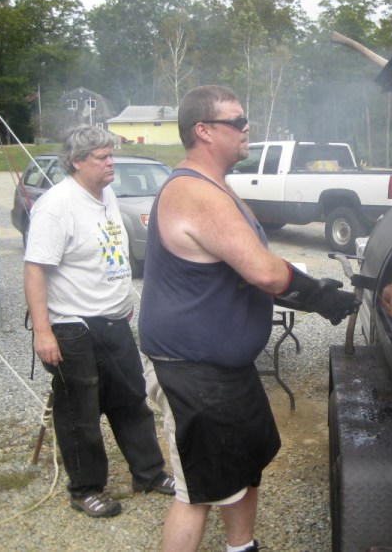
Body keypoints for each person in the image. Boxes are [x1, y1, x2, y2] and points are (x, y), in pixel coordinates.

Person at [138, 85, 359, 552]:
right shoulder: (192, 191)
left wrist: (307, 287)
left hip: (227, 368)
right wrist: (317, 295)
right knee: (195, 492)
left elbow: (253, 264)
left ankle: (242, 547)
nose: (247, 128)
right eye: (237, 122)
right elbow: (263, 271)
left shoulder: (220, 187)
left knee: (245, 464)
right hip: (189, 371)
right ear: (203, 131)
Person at [24, 125, 175, 518]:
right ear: (76, 162)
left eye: (111, 155)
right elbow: (35, 269)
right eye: (102, 158)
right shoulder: (57, 205)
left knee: (131, 401)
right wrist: (43, 332)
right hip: (72, 326)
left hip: (114, 320)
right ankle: (86, 488)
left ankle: (149, 473)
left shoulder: (105, 194)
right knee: (81, 414)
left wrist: (122, 300)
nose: (112, 164)